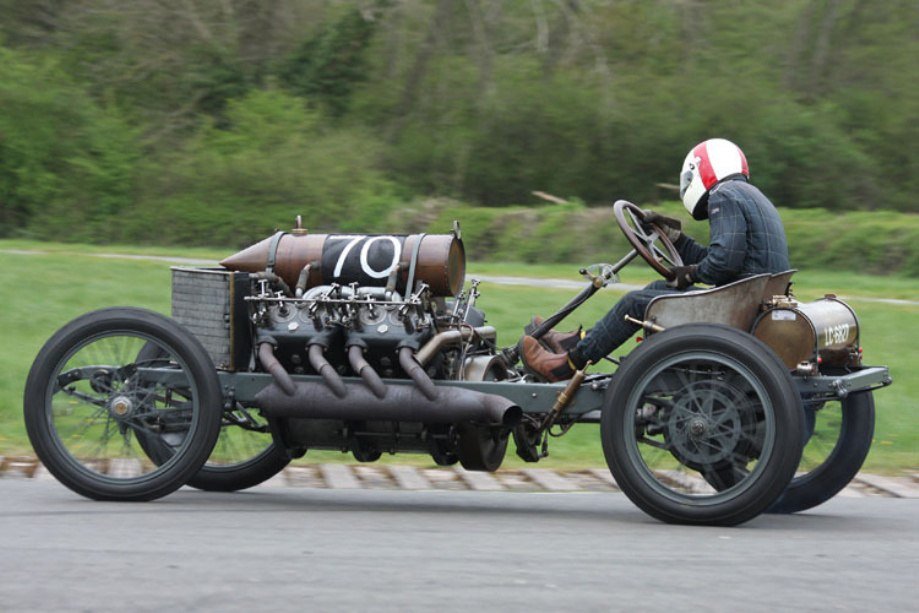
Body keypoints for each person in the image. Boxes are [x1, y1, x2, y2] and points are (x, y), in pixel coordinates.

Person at [521, 138, 791, 381]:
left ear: (705, 169)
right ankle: (575, 342)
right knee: (654, 290)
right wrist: (676, 240)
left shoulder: (724, 195)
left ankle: (565, 366)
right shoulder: (753, 197)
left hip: (734, 314)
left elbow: (723, 263)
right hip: (746, 308)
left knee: (634, 304)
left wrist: (691, 274)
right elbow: (724, 258)